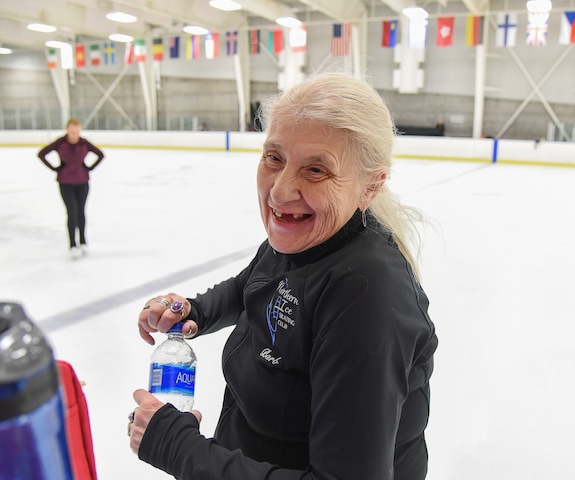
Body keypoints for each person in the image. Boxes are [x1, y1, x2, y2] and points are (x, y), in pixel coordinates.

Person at [128, 72, 438, 480]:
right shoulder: (303, 239)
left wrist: (178, 447)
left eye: (316, 170)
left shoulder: (367, 298)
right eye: (274, 158)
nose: (279, 192)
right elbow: (252, 285)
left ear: (370, 186)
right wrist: (197, 311)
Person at [37, 117, 104, 259]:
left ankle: (83, 240)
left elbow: (100, 155)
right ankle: (72, 243)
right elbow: (41, 154)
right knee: (72, 212)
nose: (74, 135)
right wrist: (55, 168)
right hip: (65, 183)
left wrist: (89, 167)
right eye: (72, 132)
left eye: (77, 132)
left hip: (82, 182)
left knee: (81, 212)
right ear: (67, 130)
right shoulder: (60, 143)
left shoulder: (84, 143)